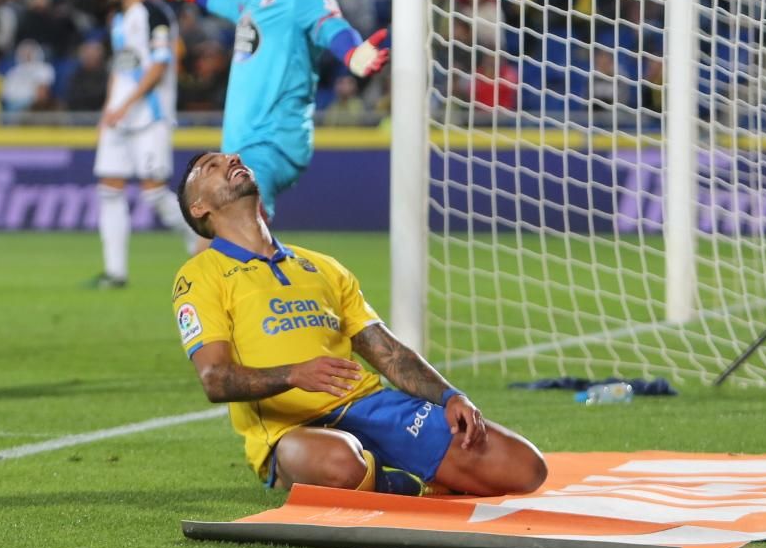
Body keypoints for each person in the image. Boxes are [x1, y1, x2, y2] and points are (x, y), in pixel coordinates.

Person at [173, 150, 547, 496]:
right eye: (212, 166)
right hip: (291, 429)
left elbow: (387, 352)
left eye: (231, 157)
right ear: (199, 207)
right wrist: (293, 374)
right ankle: (393, 482)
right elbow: (216, 380)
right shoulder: (200, 276)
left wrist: (450, 396)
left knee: (526, 470)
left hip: (366, 404)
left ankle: (388, 470)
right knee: (340, 463)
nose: (231, 159)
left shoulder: (322, 267)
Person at [153, 0, 389, 219]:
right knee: (216, 250)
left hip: (273, 140)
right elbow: (241, 7)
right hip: (241, 141)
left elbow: (330, 25)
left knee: (239, 233)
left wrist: (352, 54)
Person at [92, 0, 199, 288]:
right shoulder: (119, 20)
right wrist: (110, 106)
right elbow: (120, 67)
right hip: (119, 116)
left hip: (149, 115)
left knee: (154, 195)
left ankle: (200, 243)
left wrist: (127, 104)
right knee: (109, 189)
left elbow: (159, 64)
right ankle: (115, 272)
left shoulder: (156, 14)